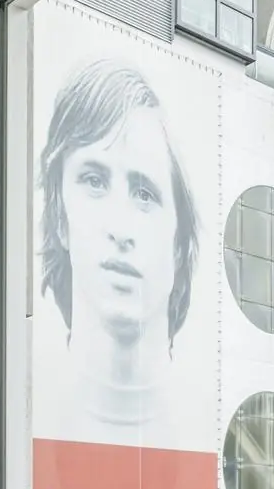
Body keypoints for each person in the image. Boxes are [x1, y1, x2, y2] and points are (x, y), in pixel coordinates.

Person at [37, 57, 200, 437]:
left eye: (144, 193)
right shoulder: (23, 421)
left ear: (179, 244)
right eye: (94, 180)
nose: (121, 228)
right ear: (60, 217)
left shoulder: (200, 430)